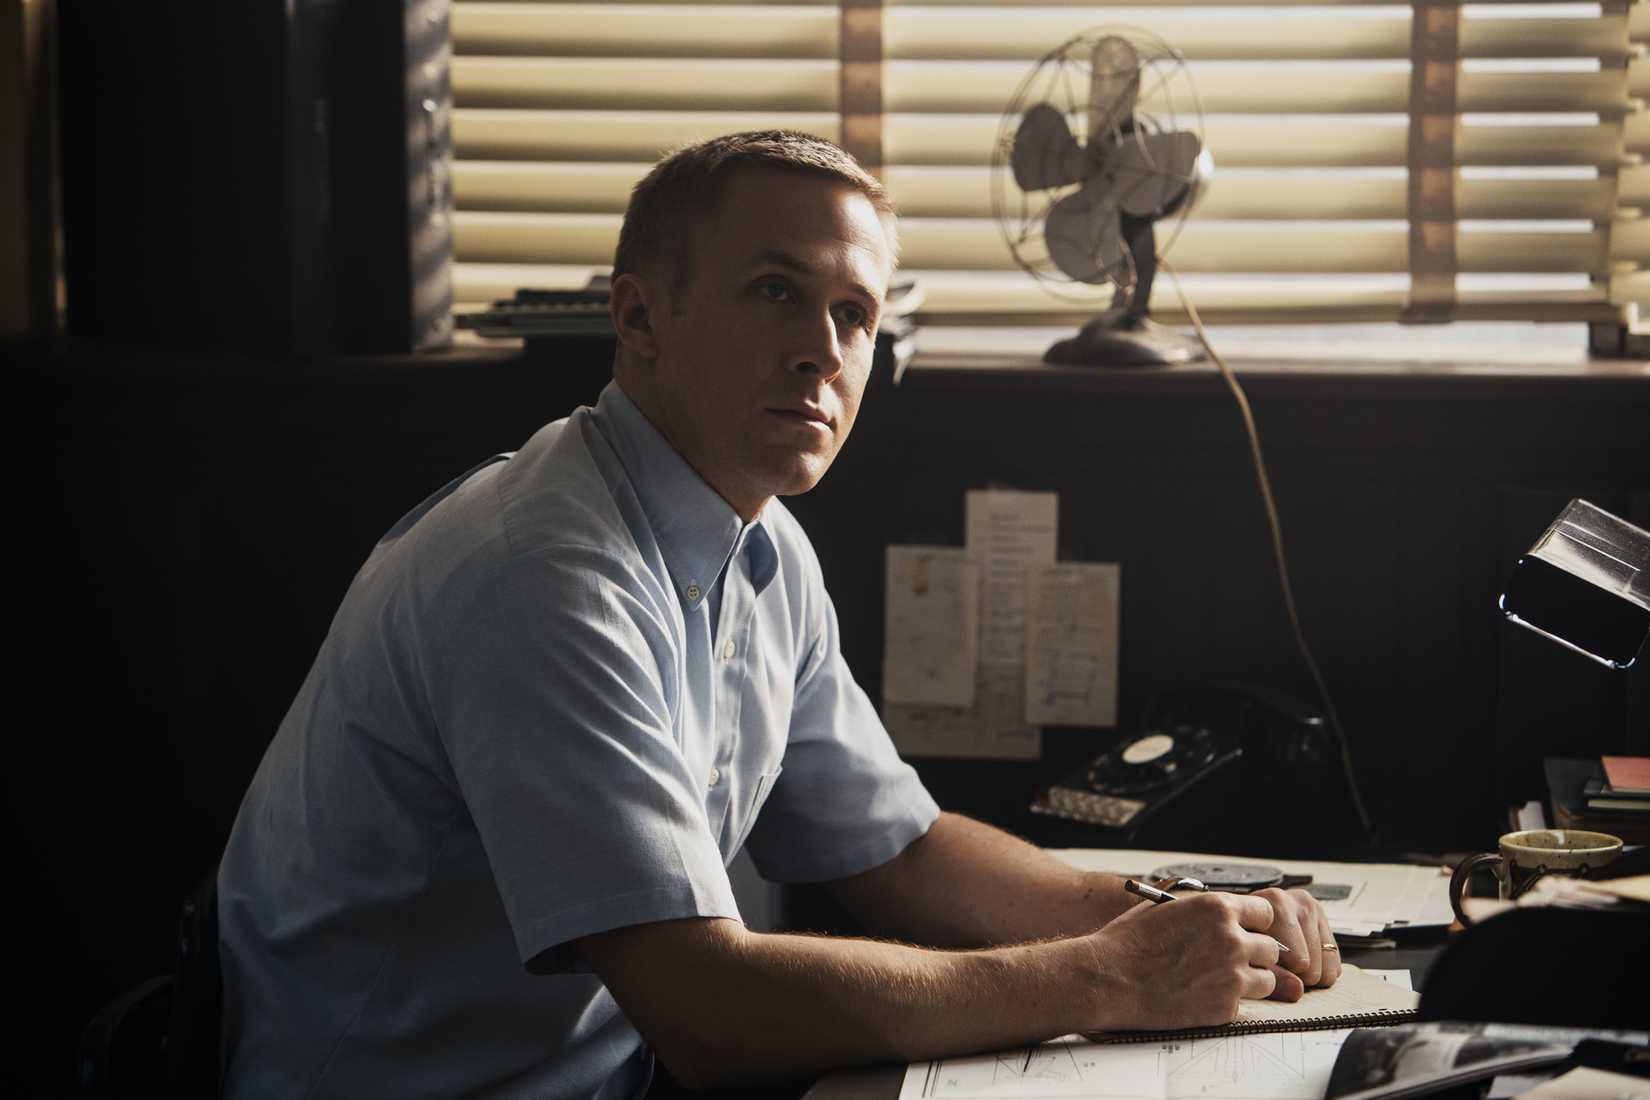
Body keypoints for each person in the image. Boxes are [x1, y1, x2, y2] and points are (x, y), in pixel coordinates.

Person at [216, 130, 1341, 1100]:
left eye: (854, 313)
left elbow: (898, 853)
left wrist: (1176, 911)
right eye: (775, 291)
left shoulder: (759, 541)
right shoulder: (545, 575)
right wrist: (1108, 976)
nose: (823, 349)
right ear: (639, 315)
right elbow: (708, 1009)